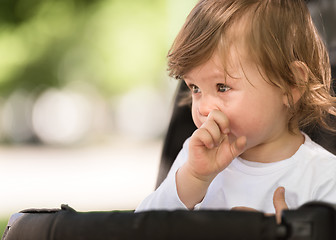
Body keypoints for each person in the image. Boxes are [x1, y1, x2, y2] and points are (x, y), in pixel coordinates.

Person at [135, 0, 336, 223]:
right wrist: (192, 179)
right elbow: (141, 229)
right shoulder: (194, 160)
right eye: (195, 88)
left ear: (292, 84)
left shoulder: (325, 178)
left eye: (222, 87)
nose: (203, 108)